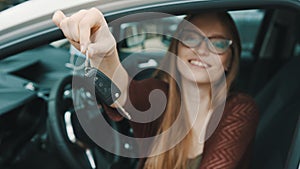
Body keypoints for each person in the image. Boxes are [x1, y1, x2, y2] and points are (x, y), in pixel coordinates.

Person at [52, 8, 259, 169]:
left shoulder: (240, 109)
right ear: (177, 48)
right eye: (190, 38)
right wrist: (106, 56)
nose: (201, 50)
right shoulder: (159, 95)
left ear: (229, 60)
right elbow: (122, 93)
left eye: (218, 44)